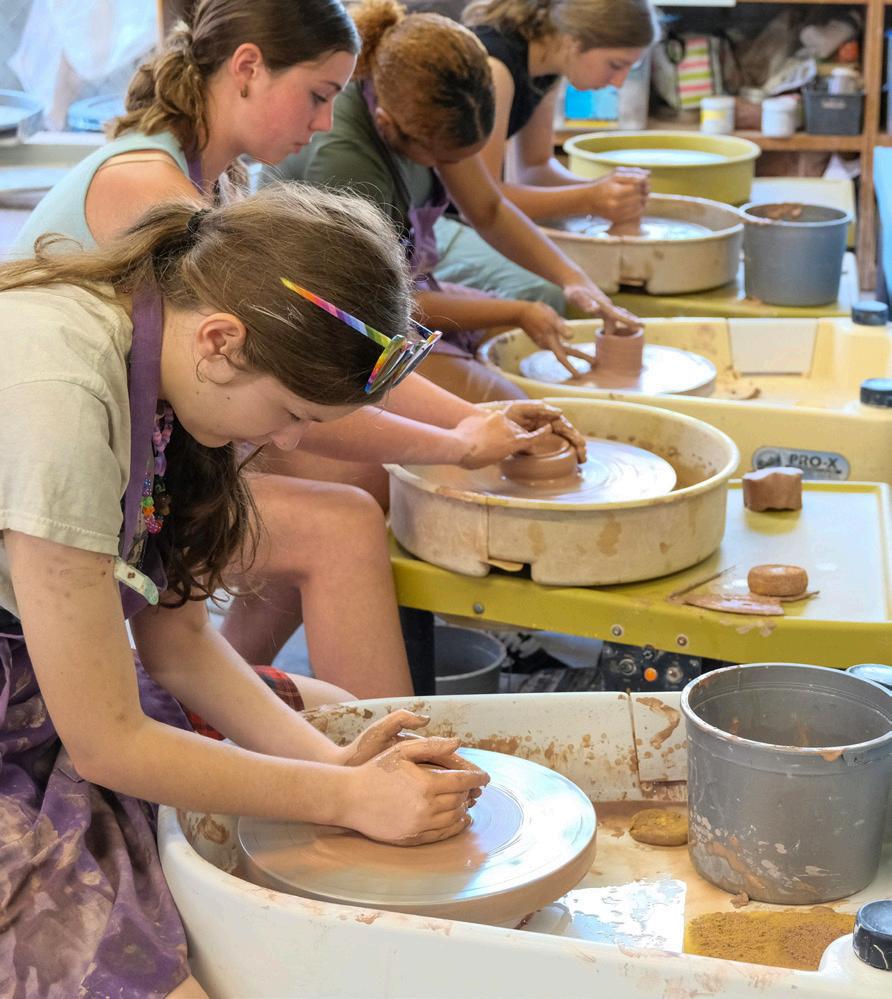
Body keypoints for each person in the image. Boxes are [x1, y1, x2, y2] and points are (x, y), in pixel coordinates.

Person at [0, 184, 490, 999]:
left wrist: (334, 763)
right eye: (292, 412)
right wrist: (345, 796)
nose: (289, 439)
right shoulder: (62, 397)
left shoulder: (174, 365)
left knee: (329, 711)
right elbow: (106, 744)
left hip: (42, 685)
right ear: (222, 339)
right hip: (43, 716)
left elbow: (182, 645)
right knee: (143, 960)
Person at [12, 0, 579, 675]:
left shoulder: (211, 175)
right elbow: (298, 383)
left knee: (356, 479)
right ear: (247, 68)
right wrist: (458, 444)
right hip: (60, 475)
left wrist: (475, 418)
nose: (323, 122)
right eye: (318, 95)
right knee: (343, 526)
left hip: (139, 443)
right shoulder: (152, 188)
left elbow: (340, 354)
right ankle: (334, 730)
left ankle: (225, 688)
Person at [272, 0, 641, 407]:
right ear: (386, 126)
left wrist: (574, 278)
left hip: (395, 285)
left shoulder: (439, 107)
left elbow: (489, 210)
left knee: (519, 345)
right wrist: (518, 310)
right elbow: (376, 304)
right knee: (507, 403)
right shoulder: (348, 159)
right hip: (326, 319)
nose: (454, 168)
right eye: (444, 161)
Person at [458, 0, 660, 226]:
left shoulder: (547, 63)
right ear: (574, 42)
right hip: (435, 217)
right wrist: (591, 198)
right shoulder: (494, 69)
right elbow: (479, 203)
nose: (619, 83)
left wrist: (609, 191)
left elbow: (535, 170)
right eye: (615, 65)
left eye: (630, 67)